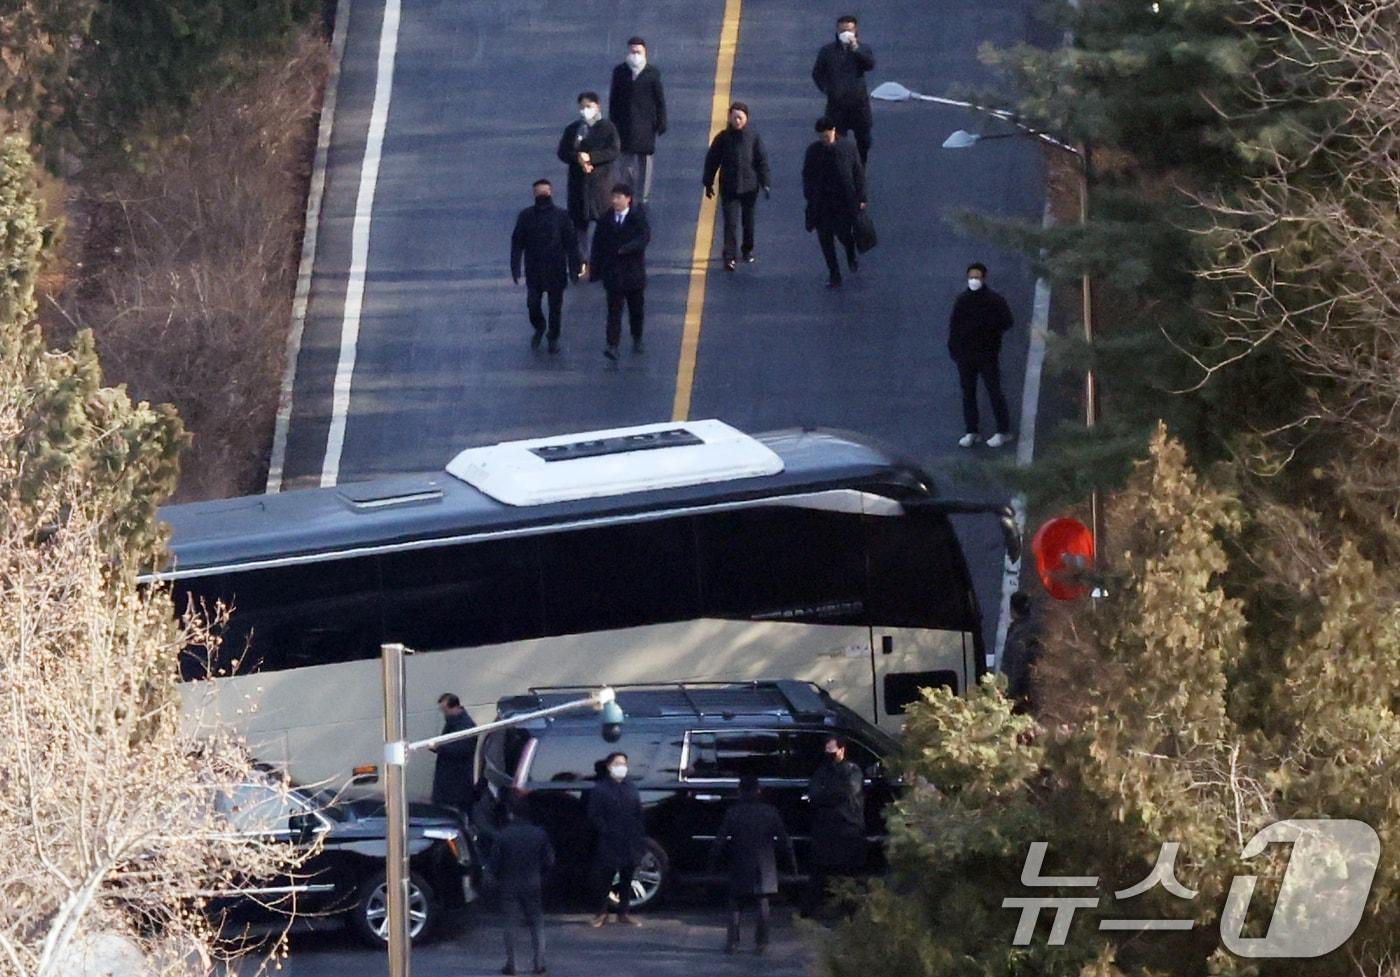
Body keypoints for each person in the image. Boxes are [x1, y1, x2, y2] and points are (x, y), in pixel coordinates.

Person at [709, 775, 796, 955]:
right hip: (764, 864)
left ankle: (732, 943)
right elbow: (784, 840)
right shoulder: (770, 811)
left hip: (740, 862)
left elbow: (720, 841)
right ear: (759, 790)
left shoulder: (732, 812)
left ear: (739, 791)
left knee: (735, 905)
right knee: (763, 905)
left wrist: (712, 863)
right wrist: (792, 864)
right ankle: (761, 944)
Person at [948, 262, 1016, 448]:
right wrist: (954, 349)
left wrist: (990, 333)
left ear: (984, 278)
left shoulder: (994, 300)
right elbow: (954, 326)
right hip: (966, 356)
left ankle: (1003, 430)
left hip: (987, 354)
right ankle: (972, 431)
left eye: (977, 277)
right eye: (971, 277)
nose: (973, 280)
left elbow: (1007, 321)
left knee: (994, 392)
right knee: (968, 394)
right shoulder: (962, 300)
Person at [510, 179, 582, 353]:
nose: (542, 195)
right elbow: (517, 243)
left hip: (556, 269)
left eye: (545, 191)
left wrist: (574, 268)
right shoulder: (525, 216)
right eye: (539, 192)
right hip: (534, 270)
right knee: (532, 304)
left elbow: (571, 244)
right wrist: (515, 268)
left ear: (551, 192)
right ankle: (540, 325)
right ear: (534, 194)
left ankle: (553, 337)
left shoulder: (562, 216)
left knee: (555, 307)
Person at [488, 791, 555, 976]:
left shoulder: (503, 835)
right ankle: (539, 963)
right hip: (533, 882)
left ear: (511, 813)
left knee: (510, 924)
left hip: (509, 883)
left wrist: (493, 878)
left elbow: (495, 863)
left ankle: (512, 964)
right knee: (536, 923)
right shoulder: (539, 833)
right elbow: (549, 860)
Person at [703, 102, 771, 272]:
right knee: (730, 223)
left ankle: (747, 249)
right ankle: (729, 256)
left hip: (749, 187)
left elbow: (761, 161)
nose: (737, 120)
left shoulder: (753, 137)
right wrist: (708, 181)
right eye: (734, 117)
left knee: (748, 222)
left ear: (746, 118)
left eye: (740, 117)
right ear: (729, 118)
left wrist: (765, 183)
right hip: (729, 187)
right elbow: (712, 160)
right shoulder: (723, 138)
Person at [801, 735, 865, 917]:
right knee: (820, 873)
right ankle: (809, 912)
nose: (829, 755)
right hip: (827, 830)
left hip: (847, 829)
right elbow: (815, 794)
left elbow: (847, 792)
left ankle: (851, 912)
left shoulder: (852, 770)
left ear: (842, 749)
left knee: (848, 874)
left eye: (833, 751)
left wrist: (826, 794)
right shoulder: (822, 771)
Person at [557, 92, 621, 270]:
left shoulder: (608, 128)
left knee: (604, 224)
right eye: (582, 107)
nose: (585, 110)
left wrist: (591, 158)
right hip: (578, 185)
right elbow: (562, 152)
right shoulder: (573, 129)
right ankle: (582, 261)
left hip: (601, 185)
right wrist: (578, 158)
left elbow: (613, 151)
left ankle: (604, 260)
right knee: (579, 225)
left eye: (589, 106)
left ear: (597, 106)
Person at [802, 117, 865, 289]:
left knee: (844, 235)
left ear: (833, 131)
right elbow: (807, 176)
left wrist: (861, 198)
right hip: (821, 204)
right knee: (825, 241)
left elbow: (857, 173)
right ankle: (834, 274)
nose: (824, 140)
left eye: (826, 136)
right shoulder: (813, 151)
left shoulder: (848, 148)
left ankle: (850, 251)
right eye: (821, 137)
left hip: (843, 203)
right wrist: (809, 196)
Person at [590, 183, 650, 360]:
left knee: (635, 310)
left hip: (633, 274)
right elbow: (597, 246)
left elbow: (644, 237)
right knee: (614, 312)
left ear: (628, 199)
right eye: (613, 197)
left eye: (618, 197)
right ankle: (612, 345)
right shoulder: (605, 220)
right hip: (613, 274)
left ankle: (637, 336)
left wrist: (627, 248)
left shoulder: (637, 217)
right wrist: (595, 271)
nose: (615, 201)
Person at [585, 751, 646, 927]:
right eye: (618, 763)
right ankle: (601, 913)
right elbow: (594, 815)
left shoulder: (631, 787)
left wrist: (638, 835)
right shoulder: (600, 788)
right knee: (605, 879)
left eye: (624, 764)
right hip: (609, 840)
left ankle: (624, 912)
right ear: (609, 766)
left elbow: (638, 813)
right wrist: (606, 830)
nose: (622, 767)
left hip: (630, 839)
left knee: (627, 878)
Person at [609, 37, 667, 204]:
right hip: (624, 125)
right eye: (632, 51)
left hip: (646, 126)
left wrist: (662, 121)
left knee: (645, 163)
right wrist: (612, 125)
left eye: (638, 51)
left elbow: (659, 99)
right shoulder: (620, 71)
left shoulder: (652, 73)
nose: (635, 55)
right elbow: (614, 99)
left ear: (644, 52)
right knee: (625, 163)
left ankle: (643, 197)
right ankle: (628, 194)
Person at [811, 15, 875, 166]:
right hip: (836, 106)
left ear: (855, 30)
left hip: (859, 105)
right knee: (837, 141)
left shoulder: (863, 48)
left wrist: (855, 48)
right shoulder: (827, 51)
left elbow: (870, 64)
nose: (846, 33)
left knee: (864, 140)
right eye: (842, 30)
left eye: (849, 30)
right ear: (837, 30)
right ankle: (841, 169)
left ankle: (860, 168)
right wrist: (827, 89)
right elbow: (817, 73)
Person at [429, 693, 476, 814]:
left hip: (456, 781)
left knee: (454, 811)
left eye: (445, 710)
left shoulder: (465, 726)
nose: (444, 714)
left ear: (454, 707)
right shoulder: (453, 722)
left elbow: (462, 749)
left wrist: (438, 747)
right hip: (449, 777)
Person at [1001, 590, 1041, 713]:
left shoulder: (1020, 632)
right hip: (1025, 689)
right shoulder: (1029, 628)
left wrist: (1011, 691)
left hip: (1020, 691)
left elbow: (1018, 662)